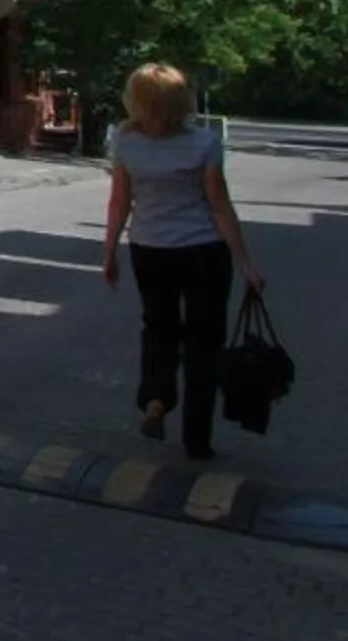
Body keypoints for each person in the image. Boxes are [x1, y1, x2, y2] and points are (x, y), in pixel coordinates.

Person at [99, 62, 263, 460]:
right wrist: (246, 264)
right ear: (181, 100)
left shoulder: (126, 142)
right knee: (205, 341)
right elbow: (220, 206)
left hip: (149, 249)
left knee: (159, 329)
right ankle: (197, 437)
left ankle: (156, 398)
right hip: (204, 252)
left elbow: (120, 201)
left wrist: (109, 252)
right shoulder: (204, 143)